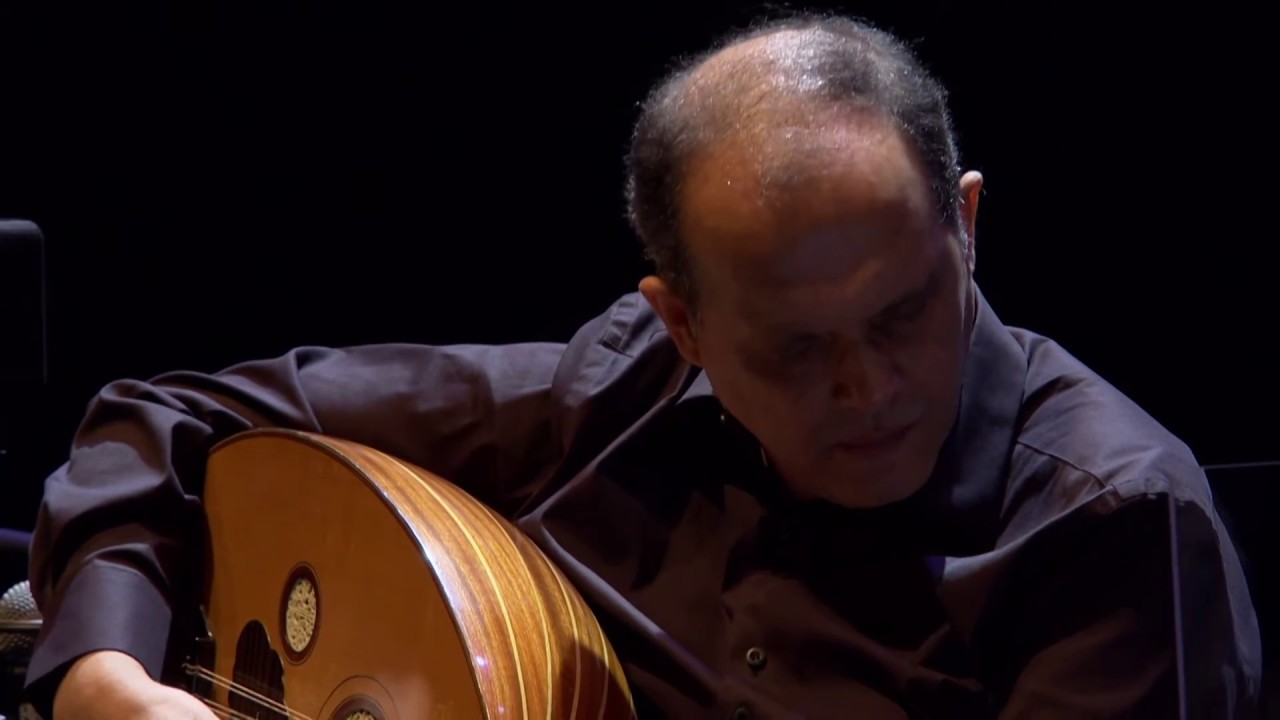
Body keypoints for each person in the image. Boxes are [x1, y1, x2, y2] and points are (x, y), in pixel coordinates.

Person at [21, 12, 1260, 720]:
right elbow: (170, 420)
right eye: (792, 349)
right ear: (681, 324)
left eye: (902, 313)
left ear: (967, 227)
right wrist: (107, 674)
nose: (868, 388)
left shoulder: (1107, 531)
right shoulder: (622, 391)